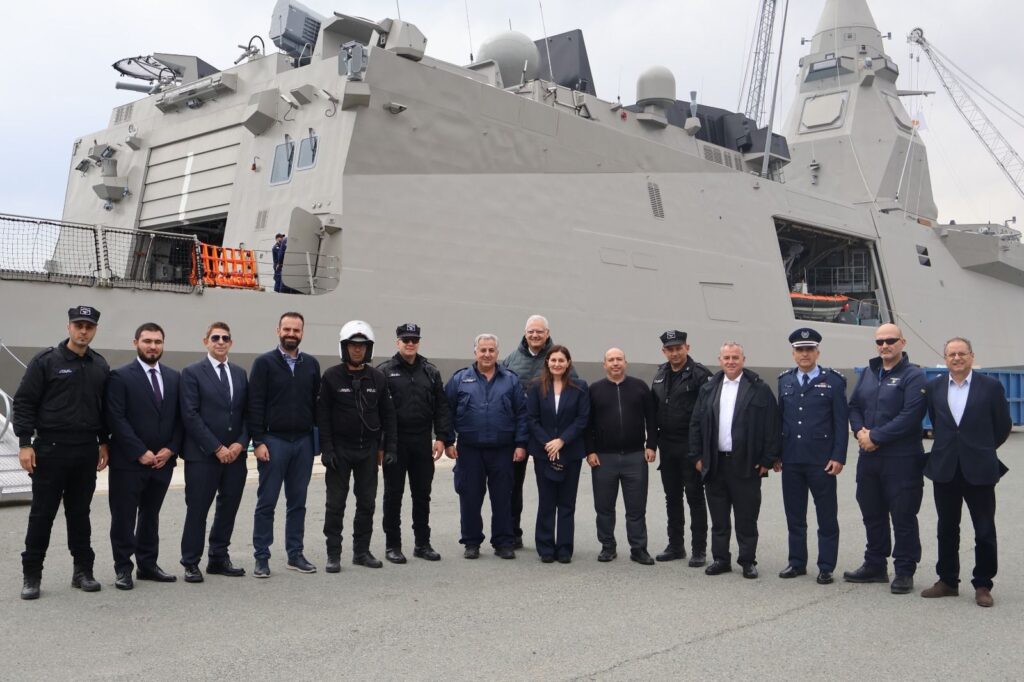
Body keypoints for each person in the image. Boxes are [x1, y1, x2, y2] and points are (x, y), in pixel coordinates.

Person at [14, 305, 110, 600]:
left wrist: (103, 442)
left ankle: (83, 571)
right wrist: (25, 443)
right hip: (51, 449)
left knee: (80, 514)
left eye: (89, 327)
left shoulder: (99, 365)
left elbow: (103, 409)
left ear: (95, 330)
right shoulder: (46, 361)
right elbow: (24, 402)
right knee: (42, 514)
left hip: (85, 450)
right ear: (69, 327)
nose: (83, 331)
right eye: (78, 325)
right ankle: (32, 576)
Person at [920, 338, 1012, 607]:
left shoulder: (991, 387)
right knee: (946, 527)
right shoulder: (934, 387)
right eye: (951, 354)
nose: (957, 358)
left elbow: (1002, 425)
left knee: (984, 530)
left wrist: (981, 448)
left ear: (971, 356)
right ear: (945, 358)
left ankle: (983, 584)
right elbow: (937, 422)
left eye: (962, 353)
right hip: (945, 467)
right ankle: (948, 581)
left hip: (980, 468)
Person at [844, 323, 927, 595]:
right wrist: (860, 431)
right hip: (869, 458)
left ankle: (904, 570)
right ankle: (875, 564)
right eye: (879, 342)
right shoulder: (869, 373)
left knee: (903, 515)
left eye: (890, 340)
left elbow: (911, 415)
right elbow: (854, 406)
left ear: (902, 342)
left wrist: (876, 436)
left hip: (901, 459)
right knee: (872, 513)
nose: (884, 346)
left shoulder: (914, 376)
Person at [689, 341, 780, 579]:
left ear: (743, 360)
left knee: (746, 517)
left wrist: (767, 459)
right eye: (726, 358)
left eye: (735, 357)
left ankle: (747, 561)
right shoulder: (708, 388)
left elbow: (772, 425)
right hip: (715, 463)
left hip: (747, 464)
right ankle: (721, 559)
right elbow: (696, 424)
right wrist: (697, 456)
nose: (731, 362)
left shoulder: (759, 388)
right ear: (720, 360)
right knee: (719, 518)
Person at [105, 322, 183, 590]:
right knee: (124, 517)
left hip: (162, 462)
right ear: (135, 343)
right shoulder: (120, 377)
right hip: (129, 463)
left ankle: (148, 565)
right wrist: (140, 452)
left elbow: (180, 419)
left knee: (151, 515)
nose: (152, 346)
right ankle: (123, 568)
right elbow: (116, 418)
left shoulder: (174, 377)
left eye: (157, 342)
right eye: (147, 341)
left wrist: (171, 449)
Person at [318, 320, 397, 571]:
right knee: (335, 505)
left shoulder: (378, 378)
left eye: (362, 345)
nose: (357, 349)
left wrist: (390, 448)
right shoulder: (331, 377)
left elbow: (388, 416)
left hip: (368, 451)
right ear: (344, 347)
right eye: (353, 345)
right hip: (339, 451)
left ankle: (361, 552)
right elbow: (323, 417)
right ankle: (333, 554)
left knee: (366, 504)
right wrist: (327, 449)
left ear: (368, 349)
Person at [248, 312, 321, 578]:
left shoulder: (311, 364)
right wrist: (258, 441)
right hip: (274, 441)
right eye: (287, 329)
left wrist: (316, 443)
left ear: (302, 333)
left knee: (297, 503)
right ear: (278, 330)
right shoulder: (264, 363)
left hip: (302, 442)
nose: (291, 334)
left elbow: (316, 404)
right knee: (267, 502)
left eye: (296, 330)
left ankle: (295, 554)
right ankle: (262, 557)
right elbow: (255, 403)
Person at [445, 334, 528, 559]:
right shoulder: (460, 379)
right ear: (475, 352)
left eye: (491, 350)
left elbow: (522, 414)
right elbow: (445, 411)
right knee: (470, 497)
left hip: (503, 449)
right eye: (483, 350)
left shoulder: (510, 380)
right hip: (469, 449)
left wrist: (521, 444)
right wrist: (448, 440)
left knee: (503, 498)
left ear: (497, 353)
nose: (487, 354)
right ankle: (471, 542)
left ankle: (503, 542)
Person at [178, 322, 250, 583]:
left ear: (231, 343)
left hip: (235, 456)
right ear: (206, 341)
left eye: (225, 338)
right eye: (215, 337)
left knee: (228, 507)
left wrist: (240, 444)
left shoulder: (240, 373)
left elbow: (247, 413)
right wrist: (216, 447)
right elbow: (190, 414)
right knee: (197, 510)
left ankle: (218, 557)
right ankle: (190, 561)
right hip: (203, 456)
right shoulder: (192, 372)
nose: (220, 342)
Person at [776, 328, 848, 585]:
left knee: (826, 516)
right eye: (799, 350)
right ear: (793, 353)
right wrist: (776, 454)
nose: (804, 354)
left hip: (822, 461)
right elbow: (780, 420)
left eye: (809, 349)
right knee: (795, 516)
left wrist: (838, 456)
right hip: (792, 459)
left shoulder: (834, 381)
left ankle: (826, 566)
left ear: (817, 352)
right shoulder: (784, 380)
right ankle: (797, 562)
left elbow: (841, 423)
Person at [377, 323, 451, 563]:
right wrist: (381, 445)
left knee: (422, 495)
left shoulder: (430, 371)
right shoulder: (384, 372)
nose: (410, 343)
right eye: (406, 339)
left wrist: (441, 437)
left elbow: (441, 406)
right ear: (397, 342)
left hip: (421, 441)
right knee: (393, 495)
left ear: (419, 342)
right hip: (395, 443)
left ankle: (422, 544)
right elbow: (377, 412)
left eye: (414, 340)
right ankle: (392, 546)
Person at [585, 348, 658, 566]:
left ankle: (638, 549)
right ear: (604, 364)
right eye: (611, 360)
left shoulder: (640, 387)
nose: (615, 363)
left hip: (635, 457)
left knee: (636, 508)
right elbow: (587, 424)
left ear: (625, 363)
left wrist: (651, 445)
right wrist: (590, 451)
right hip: (603, 458)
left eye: (619, 359)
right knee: (604, 507)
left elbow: (652, 419)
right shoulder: (595, 390)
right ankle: (607, 546)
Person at [502, 314, 566, 549]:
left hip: (547, 436)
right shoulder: (511, 359)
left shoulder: (557, 358)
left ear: (547, 333)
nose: (535, 335)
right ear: (525, 333)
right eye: (531, 331)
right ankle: (512, 533)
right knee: (512, 486)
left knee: (549, 487)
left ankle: (550, 539)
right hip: (517, 433)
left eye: (540, 331)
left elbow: (573, 390)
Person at [650, 330, 711, 566]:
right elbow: (654, 411)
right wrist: (652, 444)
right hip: (667, 445)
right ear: (663, 351)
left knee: (695, 497)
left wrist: (701, 450)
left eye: (678, 348)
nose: (674, 353)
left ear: (687, 348)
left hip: (690, 445)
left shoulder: (700, 375)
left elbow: (708, 414)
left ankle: (699, 549)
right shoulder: (660, 374)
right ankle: (676, 545)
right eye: (670, 349)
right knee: (672, 497)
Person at [526, 345, 590, 563]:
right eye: (553, 360)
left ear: (568, 363)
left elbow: (582, 419)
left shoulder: (580, 387)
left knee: (567, 502)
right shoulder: (536, 386)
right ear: (547, 362)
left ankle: (564, 548)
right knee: (546, 501)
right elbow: (532, 419)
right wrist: (548, 443)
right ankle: (545, 547)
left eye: (561, 360)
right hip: (544, 453)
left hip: (570, 452)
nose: (557, 364)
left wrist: (562, 440)